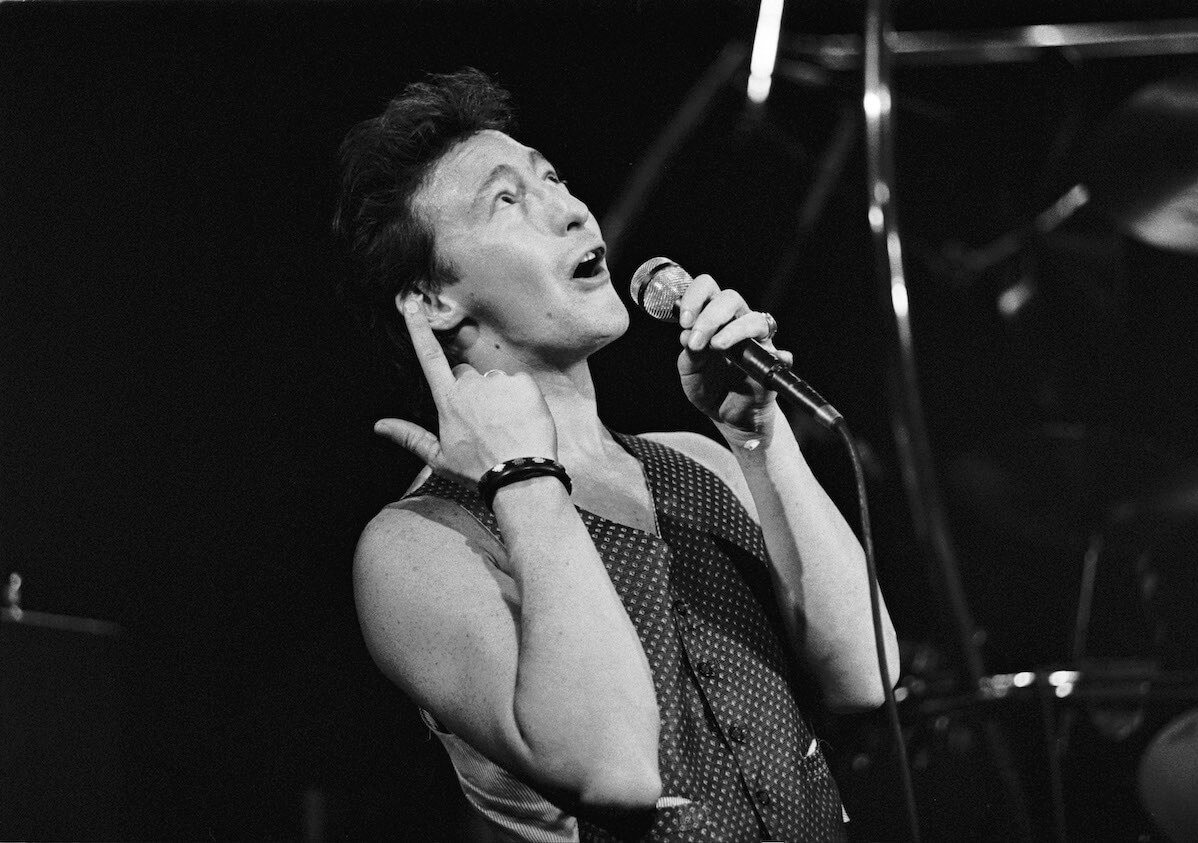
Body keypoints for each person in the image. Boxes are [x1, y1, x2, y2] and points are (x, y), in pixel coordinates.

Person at [333, 67, 899, 842]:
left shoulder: (699, 460)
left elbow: (868, 674)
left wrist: (758, 435)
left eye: (555, 180)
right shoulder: (419, 545)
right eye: (508, 200)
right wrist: (525, 478)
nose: (569, 211)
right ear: (435, 299)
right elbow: (614, 770)